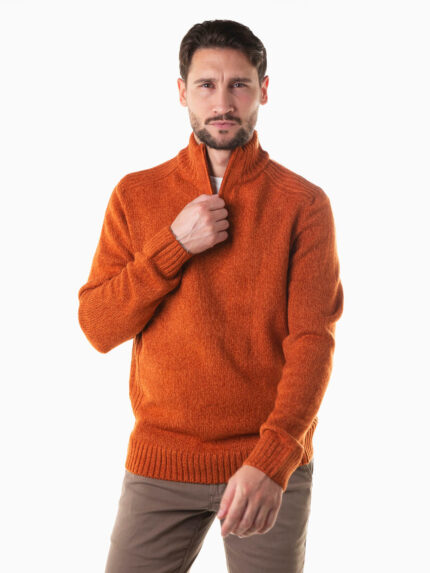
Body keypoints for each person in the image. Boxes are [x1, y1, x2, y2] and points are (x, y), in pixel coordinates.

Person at [77, 18, 344, 573]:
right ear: (182, 92)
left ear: (263, 90)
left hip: (267, 464)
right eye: (206, 85)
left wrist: (272, 461)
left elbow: (312, 344)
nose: (223, 103)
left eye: (238, 84)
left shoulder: (303, 204)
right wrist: (174, 245)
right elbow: (98, 327)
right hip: (160, 462)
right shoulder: (135, 194)